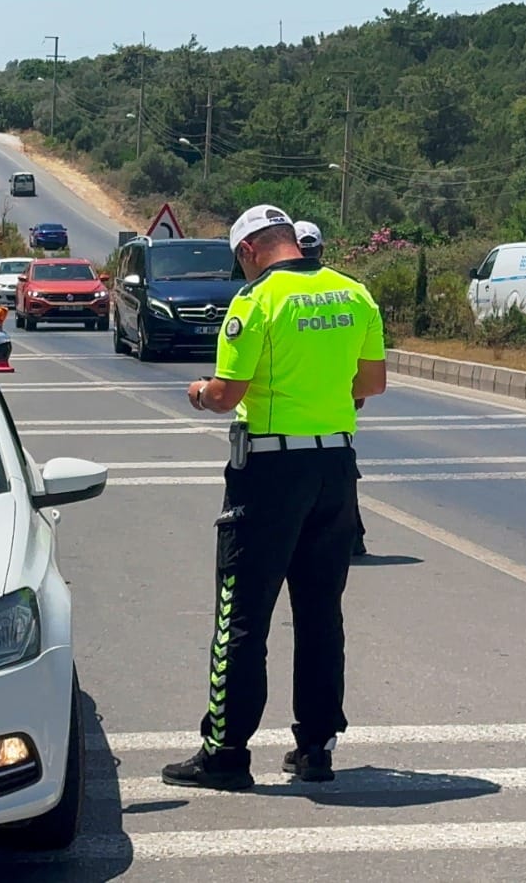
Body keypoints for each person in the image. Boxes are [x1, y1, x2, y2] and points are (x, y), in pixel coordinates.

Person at [162, 204, 386, 792]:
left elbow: (225, 392)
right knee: (319, 611)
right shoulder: (354, 293)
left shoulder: (255, 302)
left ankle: (226, 751)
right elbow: (371, 384)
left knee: (242, 614)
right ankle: (316, 748)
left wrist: (198, 393)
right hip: (336, 468)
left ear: (248, 251)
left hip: (268, 471)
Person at [295, 220, 368, 557]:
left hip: (288, 410)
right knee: (339, 470)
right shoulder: (349, 290)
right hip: (338, 404)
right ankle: (351, 534)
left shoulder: (274, 291)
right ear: (321, 251)